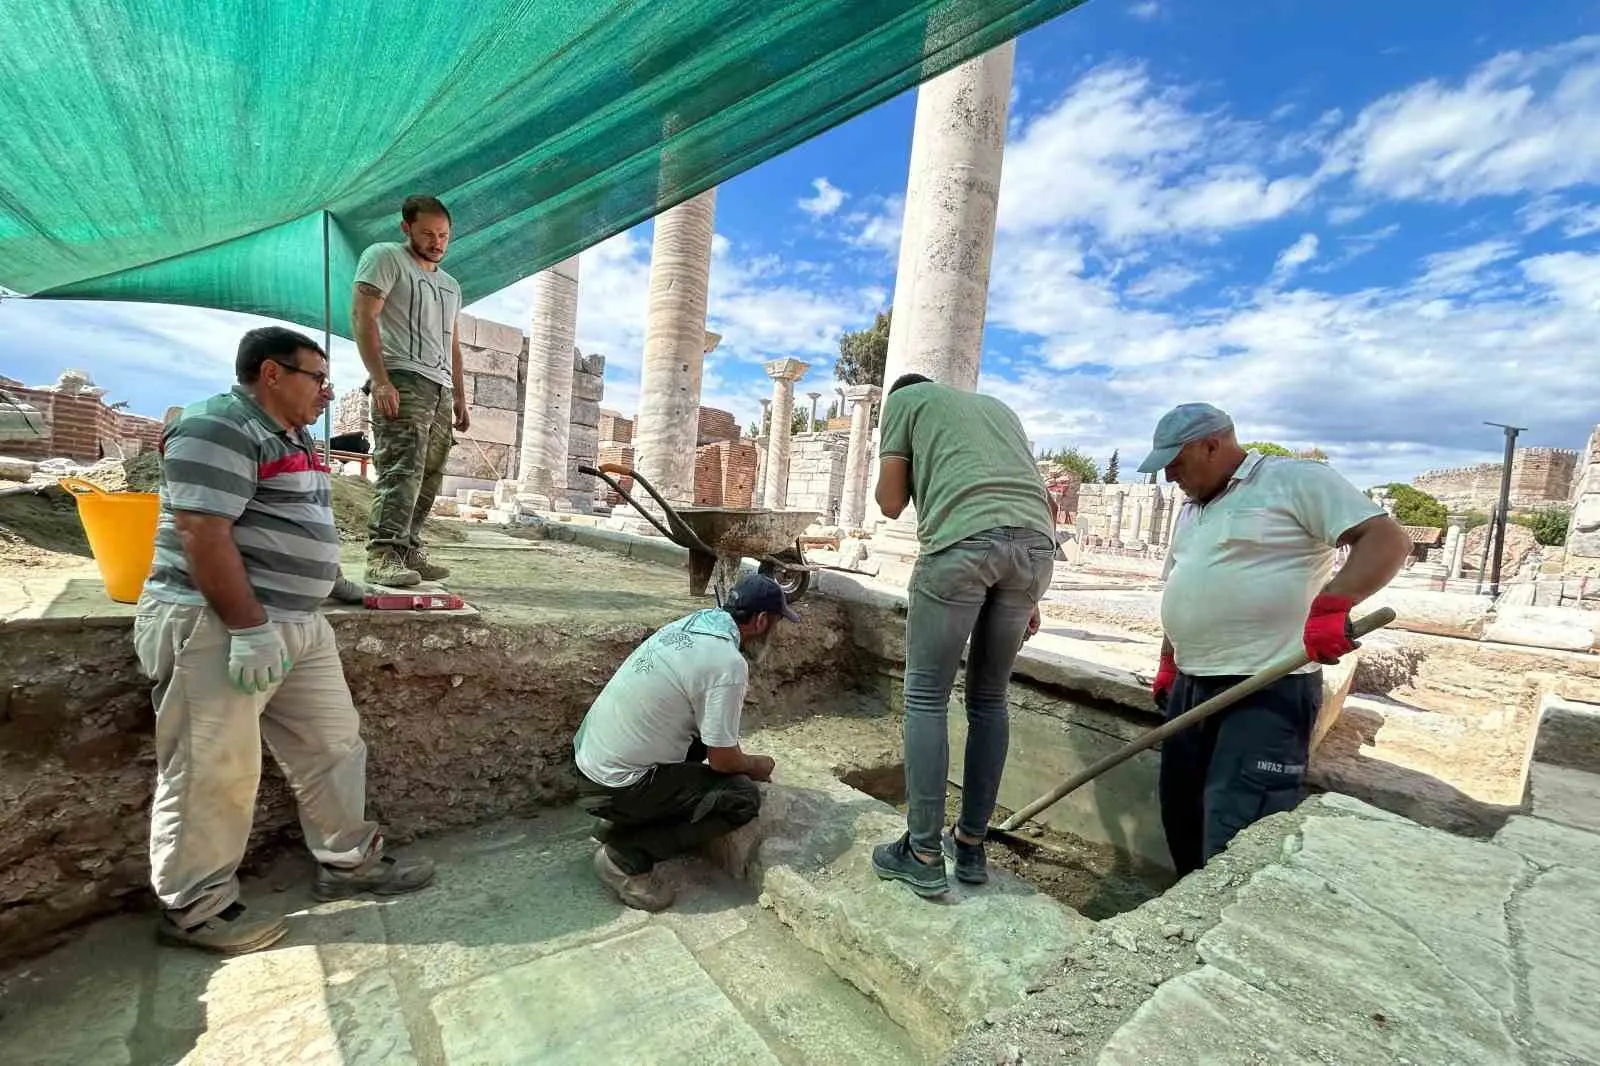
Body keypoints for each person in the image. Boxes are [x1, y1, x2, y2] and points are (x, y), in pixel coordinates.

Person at [135, 326, 435, 954]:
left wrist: (335, 584)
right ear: (272, 373)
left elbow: (292, 523)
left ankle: (347, 861)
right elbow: (202, 534)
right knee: (211, 767)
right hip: (218, 626)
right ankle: (196, 907)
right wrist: (247, 628)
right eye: (317, 379)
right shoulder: (219, 426)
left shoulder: (295, 436)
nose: (328, 393)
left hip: (298, 624)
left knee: (332, 743)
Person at [1140, 403, 1410, 875]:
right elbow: (1181, 587)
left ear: (1212, 445)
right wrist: (1169, 659)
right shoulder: (1191, 511)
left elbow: (1387, 539)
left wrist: (1333, 604)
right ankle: (1178, 930)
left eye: (1175, 463)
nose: (1169, 476)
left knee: (1238, 826)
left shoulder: (1296, 481)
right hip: (1191, 685)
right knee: (1181, 814)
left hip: (1264, 688)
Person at [868, 374, 1057, 898]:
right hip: (1036, 550)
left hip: (962, 547)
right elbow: (1042, 504)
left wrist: (896, 455)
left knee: (926, 695)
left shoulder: (905, 399)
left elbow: (889, 502)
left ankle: (923, 852)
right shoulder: (998, 409)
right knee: (990, 699)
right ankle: (970, 845)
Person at [573, 574, 796, 911]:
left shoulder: (692, 624)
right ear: (762, 621)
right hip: (615, 786)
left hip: (586, 766)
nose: (773, 634)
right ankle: (626, 857)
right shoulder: (727, 662)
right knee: (740, 796)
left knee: (699, 738)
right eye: (775, 624)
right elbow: (723, 760)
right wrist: (755, 764)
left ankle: (616, 821)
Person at [352, 194, 469, 588]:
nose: (437, 242)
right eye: (427, 234)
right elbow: (362, 315)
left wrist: (460, 396)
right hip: (402, 377)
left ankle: (408, 547)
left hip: (439, 386)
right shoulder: (385, 258)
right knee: (402, 467)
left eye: (443, 235)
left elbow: (451, 342)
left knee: (431, 472)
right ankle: (382, 554)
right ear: (406, 228)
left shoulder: (450, 285)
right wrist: (380, 379)